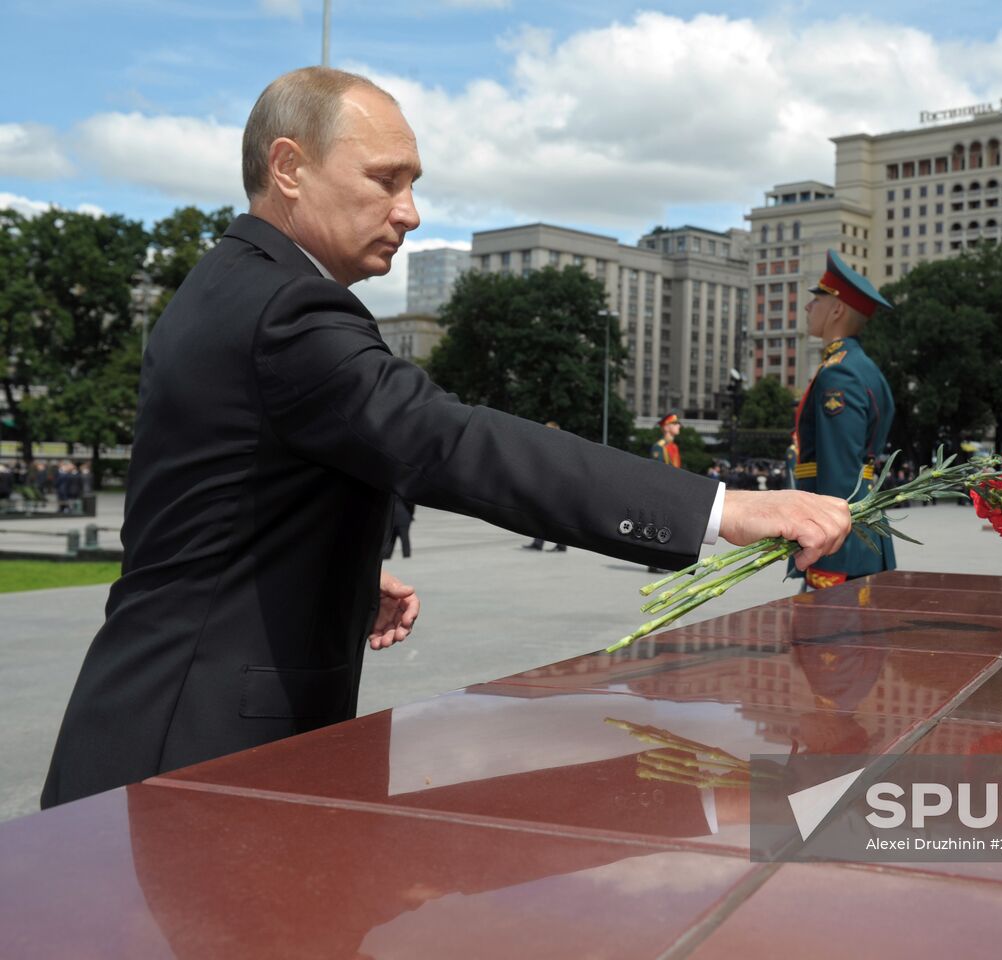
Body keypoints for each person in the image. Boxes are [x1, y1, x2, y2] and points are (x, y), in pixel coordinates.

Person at [41, 67, 852, 809]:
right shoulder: (287, 310)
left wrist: (330, 569)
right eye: (384, 180)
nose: (409, 211)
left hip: (155, 724)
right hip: (192, 755)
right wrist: (723, 509)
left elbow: (212, 506)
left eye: (413, 183)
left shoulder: (230, 283)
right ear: (288, 167)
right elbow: (446, 442)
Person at [790, 250, 896, 590]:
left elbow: (840, 471)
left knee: (831, 640)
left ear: (837, 308)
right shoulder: (858, 366)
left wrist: (828, 552)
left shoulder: (841, 375)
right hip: (857, 531)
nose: (808, 308)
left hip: (842, 544)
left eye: (816, 300)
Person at [645, 412, 683, 572]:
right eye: (675, 424)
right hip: (662, 494)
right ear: (667, 427)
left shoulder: (673, 447)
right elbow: (657, 474)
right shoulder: (659, 447)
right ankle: (654, 563)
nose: (678, 426)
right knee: (659, 526)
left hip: (673, 492)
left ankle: (663, 561)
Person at [524, 421, 567, 552]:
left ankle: (543, 543)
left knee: (547, 515)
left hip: (554, 487)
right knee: (547, 516)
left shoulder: (557, 446)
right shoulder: (553, 445)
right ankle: (556, 544)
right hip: (549, 485)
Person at [382, 493, 415, 559]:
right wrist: (410, 514)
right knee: (404, 538)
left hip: (392, 517)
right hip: (404, 516)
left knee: (391, 538)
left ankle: (386, 556)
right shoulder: (404, 491)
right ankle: (406, 555)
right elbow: (411, 504)